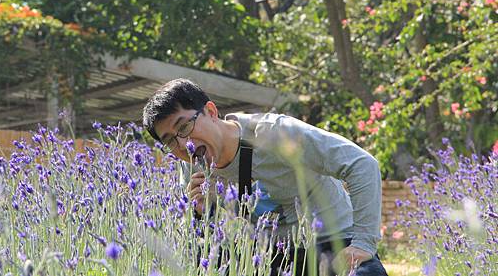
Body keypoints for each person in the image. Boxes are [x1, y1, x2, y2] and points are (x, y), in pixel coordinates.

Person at [142, 78, 388, 276]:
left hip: (332, 242)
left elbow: (362, 164)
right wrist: (201, 211)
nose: (183, 144)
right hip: (270, 255)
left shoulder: (274, 132)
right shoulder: (192, 166)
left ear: (211, 111)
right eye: (170, 141)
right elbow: (206, 249)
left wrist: (364, 244)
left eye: (184, 127)